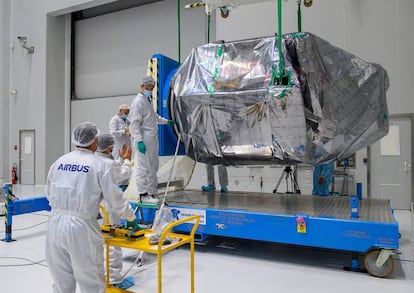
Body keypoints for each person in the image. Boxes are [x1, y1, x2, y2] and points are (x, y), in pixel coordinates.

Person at [45, 122, 139, 293]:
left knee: (61, 283)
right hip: (81, 229)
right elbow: (115, 199)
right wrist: (131, 218)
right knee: (92, 282)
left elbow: (48, 194)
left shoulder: (59, 162)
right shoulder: (99, 165)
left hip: (54, 225)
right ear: (95, 140)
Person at [96, 134, 134, 289]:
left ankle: (99, 276)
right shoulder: (108, 163)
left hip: (94, 209)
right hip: (108, 208)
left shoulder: (94, 160)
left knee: (97, 244)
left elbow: (112, 170)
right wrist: (126, 160)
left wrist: (119, 160)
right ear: (110, 147)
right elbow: (122, 174)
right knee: (113, 243)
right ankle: (114, 279)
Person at [128, 76, 175, 203]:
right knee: (144, 166)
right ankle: (143, 195)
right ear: (141, 87)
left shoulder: (147, 101)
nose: (149, 89)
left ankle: (152, 192)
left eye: (151, 88)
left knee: (153, 165)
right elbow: (134, 123)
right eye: (147, 88)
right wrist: (139, 140)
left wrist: (167, 121)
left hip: (152, 138)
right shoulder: (137, 102)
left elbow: (154, 117)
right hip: (144, 138)